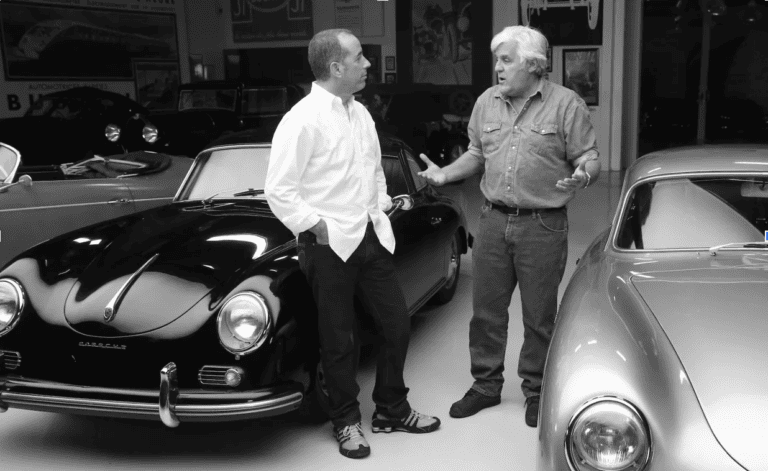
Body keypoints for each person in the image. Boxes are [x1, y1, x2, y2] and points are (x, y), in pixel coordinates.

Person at [265, 28, 440, 459]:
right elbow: (279, 190)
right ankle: (345, 422)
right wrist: (316, 226)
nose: (367, 65)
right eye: (360, 58)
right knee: (339, 340)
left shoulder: (359, 113)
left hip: (369, 237)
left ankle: (391, 409)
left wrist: (379, 204)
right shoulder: (301, 119)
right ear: (336, 67)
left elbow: (373, 168)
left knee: (396, 325)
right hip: (328, 247)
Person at [418, 25, 600, 427]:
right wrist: (445, 175)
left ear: (533, 65)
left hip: (543, 225)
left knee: (539, 316)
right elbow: (476, 154)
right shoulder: (487, 102)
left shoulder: (566, 104)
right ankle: (485, 386)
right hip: (493, 222)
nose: (498, 68)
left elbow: (589, 157)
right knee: (486, 312)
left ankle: (535, 390)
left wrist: (583, 176)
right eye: (497, 60)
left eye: (506, 60)